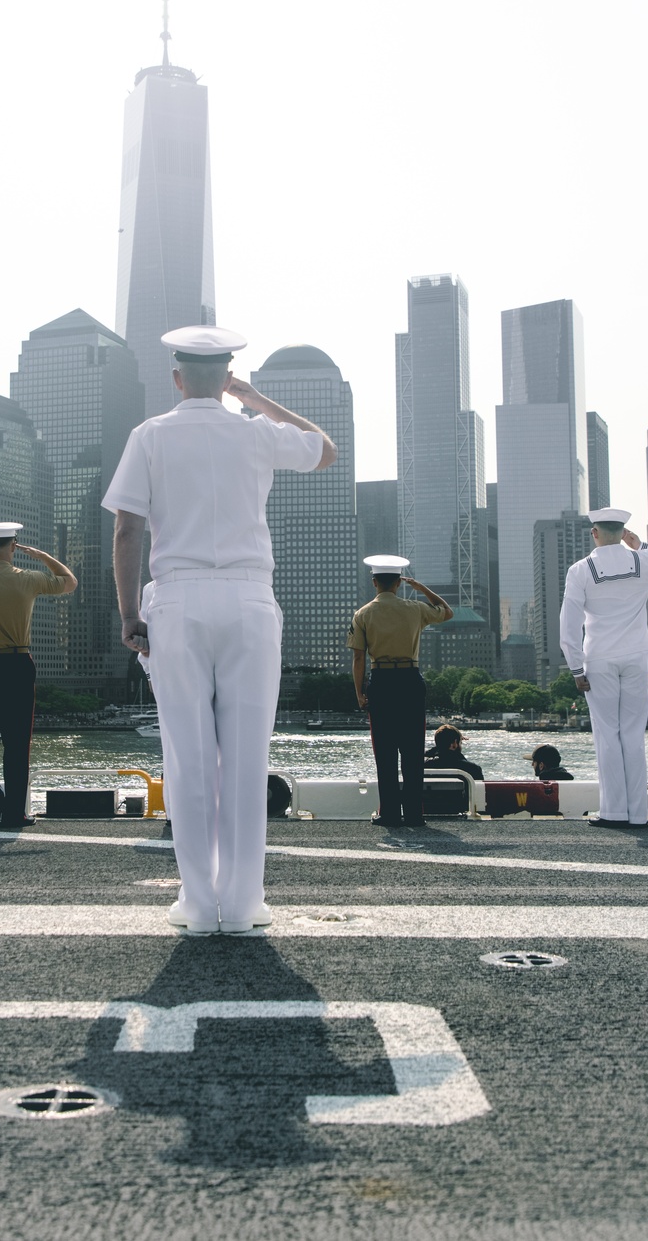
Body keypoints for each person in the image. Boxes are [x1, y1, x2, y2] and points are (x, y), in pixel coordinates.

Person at [103, 325, 336, 935]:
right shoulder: (255, 432)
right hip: (249, 600)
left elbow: (127, 532)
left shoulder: (149, 435)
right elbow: (324, 448)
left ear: (177, 377)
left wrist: (130, 615)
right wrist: (254, 399)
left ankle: (199, 906)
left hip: (176, 600)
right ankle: (244, 902)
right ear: (227, 376)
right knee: (246, 755)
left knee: (187, 756)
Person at [559, 506, 648, 830]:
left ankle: (614, 812)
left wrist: (576, 669)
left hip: (599, 659)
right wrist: (642, 545)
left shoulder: (581, 569)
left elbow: (569, 625)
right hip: (636, 657)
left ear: (595, 532)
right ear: (622, 532)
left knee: (608, 735)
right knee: (633, 735)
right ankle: (638, 815)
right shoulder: (643, 561)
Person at [0, 523, 76, 829]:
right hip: (18, 665)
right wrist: (42, 555)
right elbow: (69, 581)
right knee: (18, 745)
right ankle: (14, 815)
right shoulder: (28, 579)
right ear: (14, 546)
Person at [348, 556, 453, 828]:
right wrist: (422, 589)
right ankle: (415, 814)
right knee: (412, 750)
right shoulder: (415, 608)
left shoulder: (362, 614)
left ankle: (391, 814)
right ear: (398, 582)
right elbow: (446, 611)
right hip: (410, 679)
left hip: (381, 680)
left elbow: (359, 658)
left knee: (384, 751)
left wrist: (360, 692)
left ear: (374, 583)